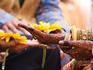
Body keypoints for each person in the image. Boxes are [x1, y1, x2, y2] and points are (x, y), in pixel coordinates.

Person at [0, 0, 71, 70]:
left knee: (54, 47)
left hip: (31, 32)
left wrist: (59, 30)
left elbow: (48, 8)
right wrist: (3, 18)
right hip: (6, 36)